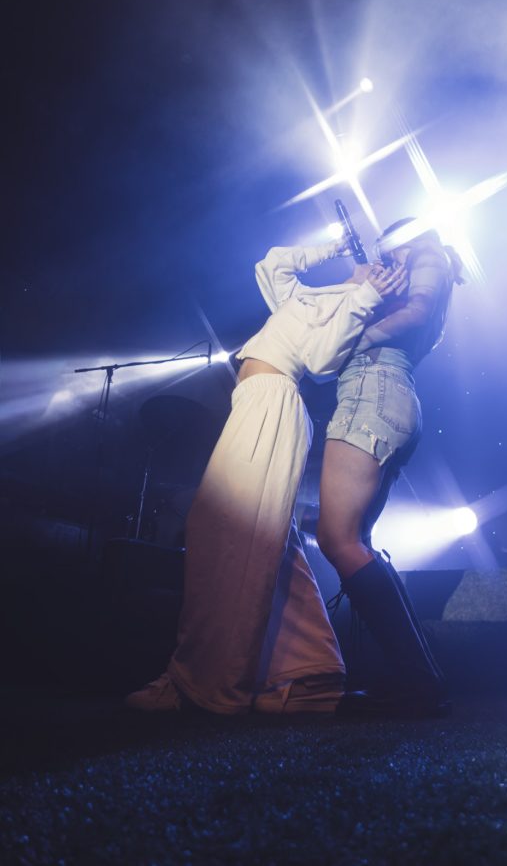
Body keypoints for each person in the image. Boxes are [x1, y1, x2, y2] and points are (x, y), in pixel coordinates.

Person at [125, 238, 406, 714]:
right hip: (255, 401)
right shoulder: (312, 296)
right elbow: (271, 265)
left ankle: (204, 683)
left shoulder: (352, 304)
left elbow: (319, 362)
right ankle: (305, 677)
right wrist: (333, 246)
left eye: (383, 265)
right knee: (265, 539)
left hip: (276, 400)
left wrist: (366, 296)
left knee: (229, 532)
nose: (370, 261)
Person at [316, 220, 464, 716]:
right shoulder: (425, 264)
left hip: (371, 388)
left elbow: (417, 310)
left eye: (387, 242)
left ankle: (419, 681)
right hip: (390, 393)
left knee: (337, 540)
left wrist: (350, 339)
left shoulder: (428, 253)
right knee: (357, 543)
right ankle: (419, 678)